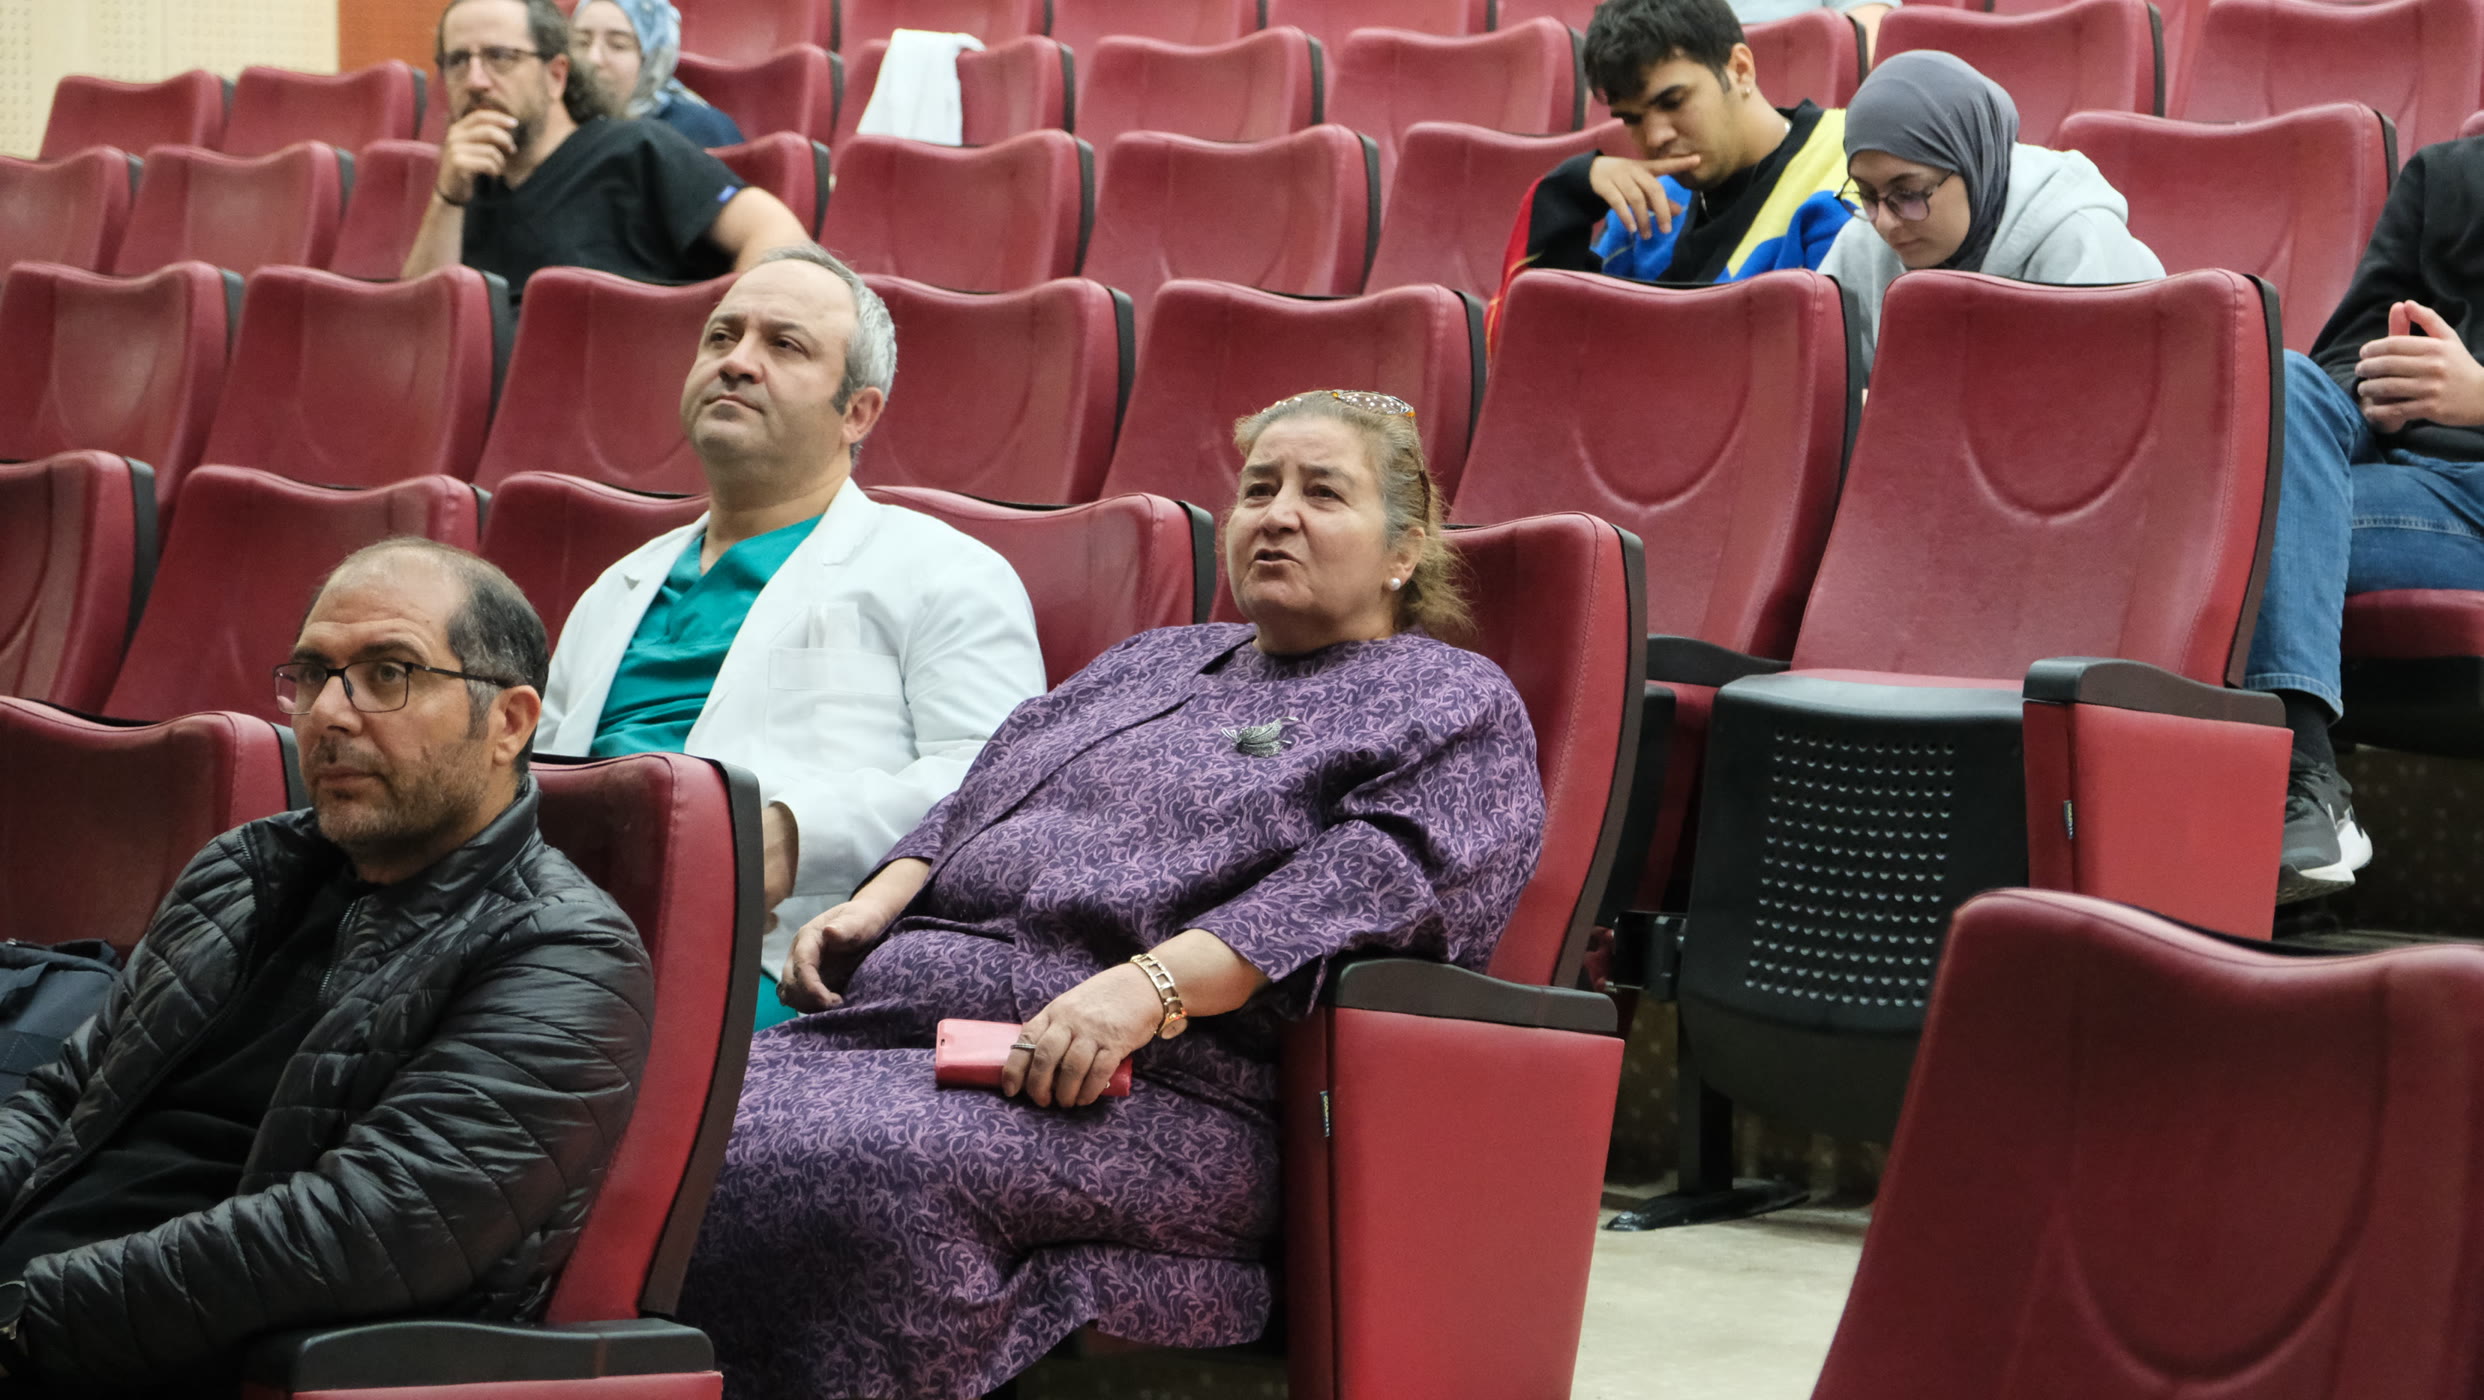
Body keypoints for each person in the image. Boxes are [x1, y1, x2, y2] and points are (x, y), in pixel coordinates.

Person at [670, 388, 1548, 1400]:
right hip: (902, 1028)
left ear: (1405, 549)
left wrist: (1147, 988)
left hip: (1159, 1084)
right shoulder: (1150, 660)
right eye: (1259, 489)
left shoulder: (1449, 699)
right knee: (666, 1129)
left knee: (863, 1167)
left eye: (1323, 493)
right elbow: (981, 792)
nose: (1277, 515)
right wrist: (880, 899)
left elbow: (1368, 882)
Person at [0, 541, 653, 1395]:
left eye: (389, 674)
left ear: (510, 722)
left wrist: (23, 1317)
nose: (331, 715)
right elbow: (66, 1094)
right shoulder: (240, 872)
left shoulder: (565, 953)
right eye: (313, 676)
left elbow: (362, 1229)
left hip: (165, 1355)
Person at [535, 244, 1045, 1026]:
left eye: (785, 345)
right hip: (559, 942)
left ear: (857, 413)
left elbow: (998, 788)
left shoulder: (947, 572)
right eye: (721, 336)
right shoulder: (616, 588)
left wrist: (794, 832)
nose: (737, 362)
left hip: (774, 971)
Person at [2244, 135, 2484, 900]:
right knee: (2282, 382)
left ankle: (2287, 790)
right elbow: (2345, 354)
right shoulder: (2445, 177)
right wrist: (2380, 391)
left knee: (2233, 536)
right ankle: (2308, 782)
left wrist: (2478, 398)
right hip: (2396, 476)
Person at [1490, 0, 1854, 340]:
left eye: (1673, 102)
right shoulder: (1646, 202)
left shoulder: (1851, 169)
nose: (1655, 137)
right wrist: (1571, 193)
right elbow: (1542, 349)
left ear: (1740, 69)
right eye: (1631, 119)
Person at [403, 0, 807, 298]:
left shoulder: (636, 149)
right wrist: (447, 199)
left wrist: (722, 339)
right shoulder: (463, 186)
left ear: (556, 75)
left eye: (500, 57)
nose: (475, 80)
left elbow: (777, 232)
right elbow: (422, 326)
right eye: (457, 61)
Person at [1818, 51, 2163, 375]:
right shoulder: (1862, 241)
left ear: (1973, 166)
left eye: (1908, 193)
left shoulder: (2079, 241)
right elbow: (1819, 385)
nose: (1885, 222)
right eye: (1867, 194)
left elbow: (2101, 405)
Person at [569, 0, 744, 149]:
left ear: (654, 58)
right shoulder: (560, 122)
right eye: (581, 42)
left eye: (618, 45)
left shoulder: (702, 130)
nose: (593, 59)